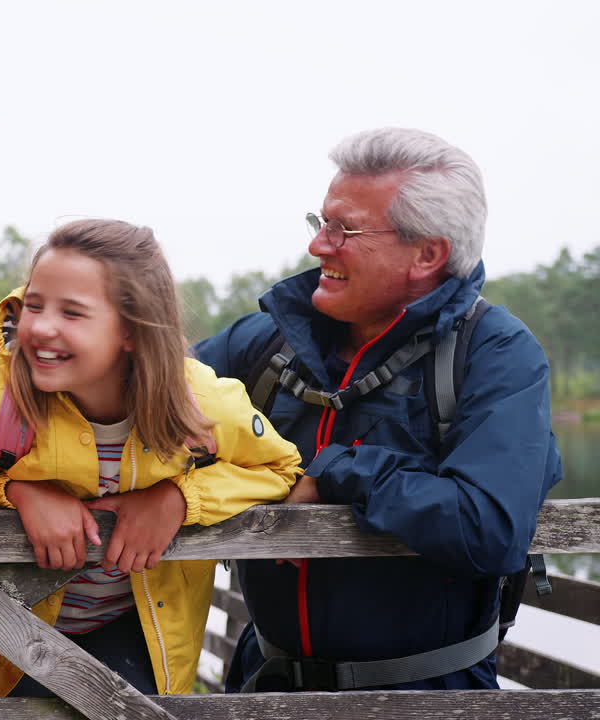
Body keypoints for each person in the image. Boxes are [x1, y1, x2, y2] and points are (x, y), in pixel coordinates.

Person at [194, 127, 563, 692]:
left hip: (428, 701)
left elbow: (489, 526)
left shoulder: (495, 352)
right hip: (264, 688)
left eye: (346, 229)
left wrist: (341, 471)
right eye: (321, 224)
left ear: (427, 254)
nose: (319, 246)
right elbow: (144, 403)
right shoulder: (267, 342)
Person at [0, 218, 304, 697]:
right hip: (10, 631)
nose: (42, 327)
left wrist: (181, 499)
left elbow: (281, 468)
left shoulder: (203, 402)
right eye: (33, 306)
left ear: (132, 331)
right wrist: (17, 492)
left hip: (139, 631)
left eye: (73, 313)